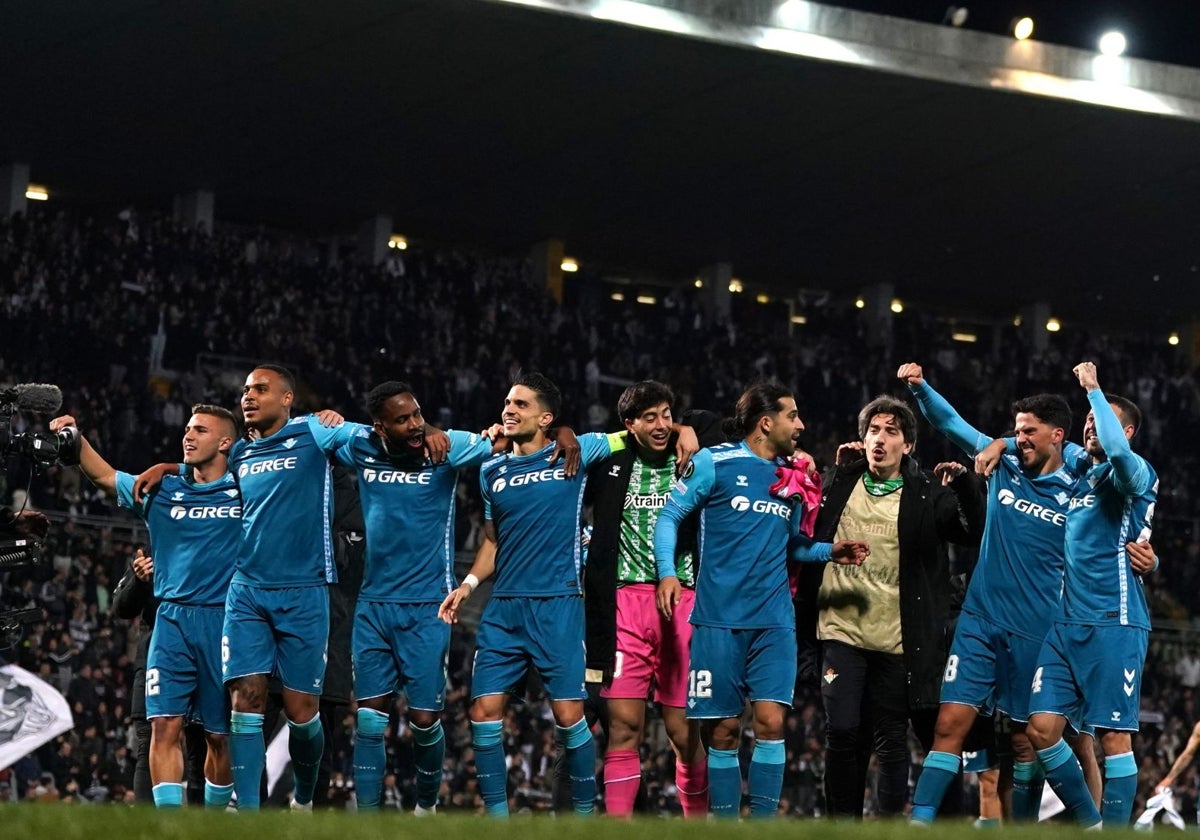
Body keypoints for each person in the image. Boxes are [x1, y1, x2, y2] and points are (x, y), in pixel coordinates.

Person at [136, 364, 360, 810]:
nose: (249, 396)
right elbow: (208, 466)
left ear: (288, 397)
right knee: (245, 702)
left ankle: (305, 798)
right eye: (245, 390)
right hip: (248, 598)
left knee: (302, 716)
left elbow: (373, 448)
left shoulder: (318, 443)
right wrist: (172, 466)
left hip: (307, 600)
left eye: (260, 389)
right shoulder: (241, 455)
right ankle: (245, 814)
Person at [654, 381, 868, 819]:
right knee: (725, 731)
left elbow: (793, 546)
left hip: (774, 622)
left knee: (772, 725)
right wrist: (668, 573)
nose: (801, 425)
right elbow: (669, 517)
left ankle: (765, 826)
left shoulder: (791, 477)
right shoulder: (715, 462)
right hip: (718, 621)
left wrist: (830, 550)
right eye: (793, 416)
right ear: (766, 422)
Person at [899, 364, 1102, 823]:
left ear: (1058, 435)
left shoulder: (1080, 481)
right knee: (950, 726)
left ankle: (1048, 829)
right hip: (980, 619)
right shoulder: (1005, 463)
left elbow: (1110, 462)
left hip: (1038, 630)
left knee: (1024, 742)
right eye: (1015, 431)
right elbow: (950, 425)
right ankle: (917, 825)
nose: (1019, 438)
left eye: (1029, 431)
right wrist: (920, 388)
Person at [438, 372, 623, 817]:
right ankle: (498, 822)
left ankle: (581, 819)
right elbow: (492, 542)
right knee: (483, 713)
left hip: (558, 604)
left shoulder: (575, 453)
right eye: (507, 402)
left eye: (520, 404)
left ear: (545, 417)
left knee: (568, 718)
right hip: (503, 609)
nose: (508, 409)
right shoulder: (491, 469)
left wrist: (684, 430)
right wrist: (467, 585)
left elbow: (631, 433)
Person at [799, 394, 985, 819]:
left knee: (891, 741)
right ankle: (841, 825)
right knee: (843, 730)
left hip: (898, 640)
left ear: (909, 446)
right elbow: (804, 533)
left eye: (891, 431)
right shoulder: (838, 482)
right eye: (873, 431)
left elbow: (971, 531)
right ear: (861, 439)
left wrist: (965, 486)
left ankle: (886, 827)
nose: (879, 439)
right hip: (841, 629)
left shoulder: (925, 494)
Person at [51, 406, 241, 809]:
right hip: (170, 623)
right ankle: (169, 825)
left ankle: (218, 820)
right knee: (163, 725)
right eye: (187, 429)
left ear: (225, 442)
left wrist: (170, 465)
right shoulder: (160, 491)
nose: (188, 436)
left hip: (222, 621)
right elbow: (105, 476)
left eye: (201, 430)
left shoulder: (246, 492)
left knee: (218, 737)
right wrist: (76, 437)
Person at [331, 381, 497, 814]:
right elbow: (309, 428)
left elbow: (501, 439)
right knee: (369, 718)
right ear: (380, 426)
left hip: (428, 607)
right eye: (402, 419)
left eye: (418, 414)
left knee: (425, 721)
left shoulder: (447, 448)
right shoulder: (360, 444)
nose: (414, 424)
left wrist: (451, 430)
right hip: (373, 605)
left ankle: (425, 810)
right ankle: (366, 817)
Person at [1017, 363, 1159, 828]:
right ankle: (1092, 825)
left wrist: (1095, 390)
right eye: (1089, 421)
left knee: (1113, 738)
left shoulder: (1134, 471)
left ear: (1128, 430)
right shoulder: (1082, 470)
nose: (1091, 427)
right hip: (1066, 623)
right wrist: (1001, 442)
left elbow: (1118, 454)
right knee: (1040, 730)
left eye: (1103, 422)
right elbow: (1043, 438)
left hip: (1115, 620)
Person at [582, 380, 712, 818]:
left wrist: (690, 427)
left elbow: (736, 427)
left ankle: (698, 823)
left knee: (682, 732)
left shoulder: (694, 460)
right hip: (624, 605)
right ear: (629, 425)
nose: (661, 425)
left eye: (666, 415)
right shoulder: (611, 461)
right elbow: (570, 449)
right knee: (624, 727)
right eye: (650, 417)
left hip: (682, 602)